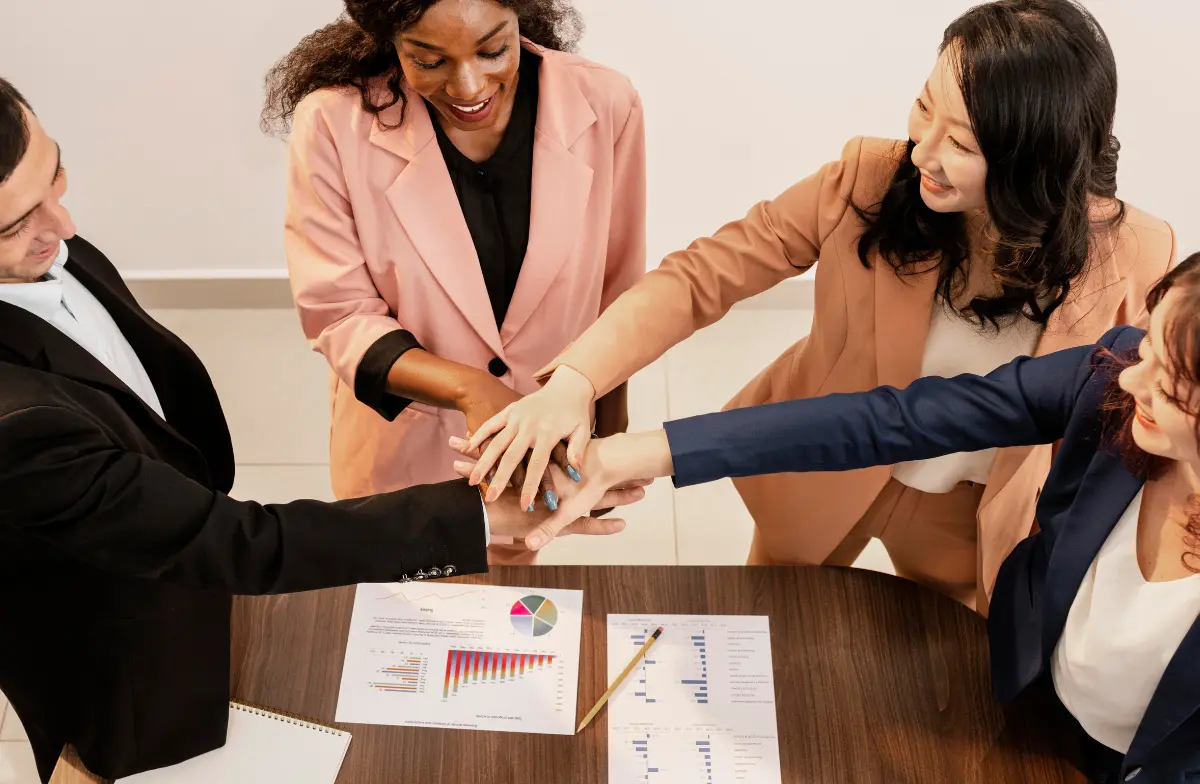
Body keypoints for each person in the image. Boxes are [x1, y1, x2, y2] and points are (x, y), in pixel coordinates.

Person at [0, 79, 637, 783]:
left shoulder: (44, 242)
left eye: (56, 172)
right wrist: (476, 518)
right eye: (14, 224)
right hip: (116, 646)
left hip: (185, 568)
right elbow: (235, 542)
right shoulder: (16, 423)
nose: (63, 224)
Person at [465, 0, 1178, 609]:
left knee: (950, 692)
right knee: (763, 646)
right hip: (818, 469)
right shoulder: (867, 179)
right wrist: (576, 380)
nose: (922, 150)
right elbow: (698, 278)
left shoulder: (1135, 253)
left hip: (974, 509)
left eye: (960, 141)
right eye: (924, 108)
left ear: (1034, 159)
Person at [489, 252, 1200, 780]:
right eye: (1147, 343)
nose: (1128, 372)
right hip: (1023, 713)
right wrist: (634, 456)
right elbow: (890, 420)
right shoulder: (1114, 378)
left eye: (1165, 382)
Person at [263, 0, 646, 564]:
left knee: (509, 591)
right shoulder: (332, 122)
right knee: (405, 613)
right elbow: (338, 314)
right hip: (405, 447)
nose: (469, 85)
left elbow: (619, 291)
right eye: (428, 60)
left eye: (494, 50)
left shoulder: (605, 103)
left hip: (543, 441)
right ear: (389, 41)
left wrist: (609, 429)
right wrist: (469, 387)